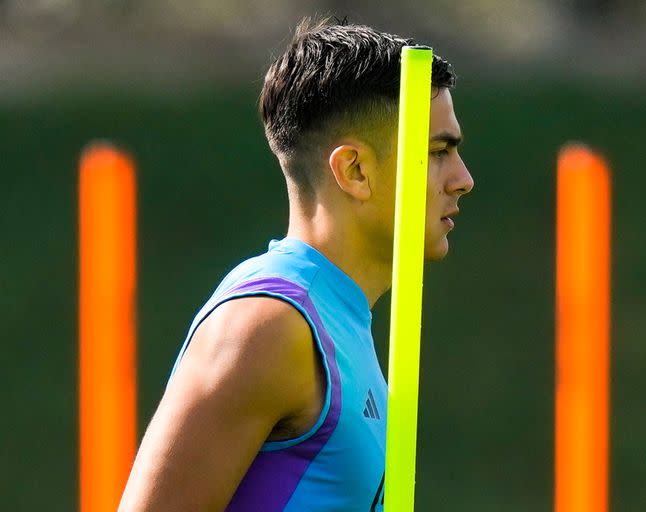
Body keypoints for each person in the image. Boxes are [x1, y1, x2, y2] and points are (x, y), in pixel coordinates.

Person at [119, 16, 474, 512]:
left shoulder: (344, 324)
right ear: (355, 170)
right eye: (438, 152)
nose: (463, 179)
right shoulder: (269, 324)